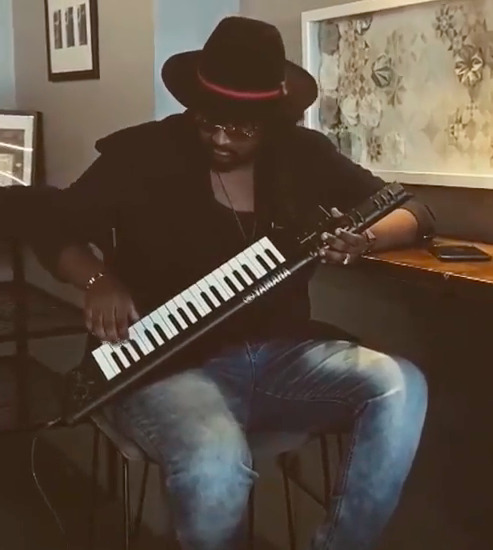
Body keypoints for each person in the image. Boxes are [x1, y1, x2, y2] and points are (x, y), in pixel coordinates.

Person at [30, 16, 434, 550]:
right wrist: (98, 277)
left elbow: (413, 211)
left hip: (283, 355)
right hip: (163, 362)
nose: (220, 138)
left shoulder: (304, 154)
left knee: (399, 385)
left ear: (271, 119)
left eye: (241, 130)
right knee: (214, 458)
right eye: (207, 122)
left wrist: (366, 240)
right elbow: (51, 225)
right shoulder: (141, 153)